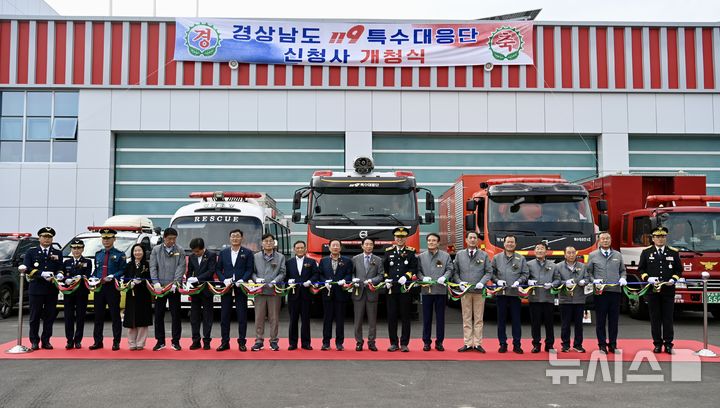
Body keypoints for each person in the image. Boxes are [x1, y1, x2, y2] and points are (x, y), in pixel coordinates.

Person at [638, 226, 682, 354]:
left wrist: (674, 279)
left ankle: (668, 344)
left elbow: (678, 269)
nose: (660, 239)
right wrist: (647, 278)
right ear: (653, 238)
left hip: (668, 290)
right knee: (655, 318)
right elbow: (641, 269)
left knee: (668, 318)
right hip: (653, 291)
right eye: (657, 237)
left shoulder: (673, 252)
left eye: (663, 236)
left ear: (666, 238)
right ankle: (657, 343)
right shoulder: (646, 252)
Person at [21, 227, 63, 350]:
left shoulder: (57, 253)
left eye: (49, 237)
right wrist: (41, 274)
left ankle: (46, 340)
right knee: (34, 316)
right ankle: (34, 340)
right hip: (36, 288)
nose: (47, 239)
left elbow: (60, 266)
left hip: (51, 289)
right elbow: (27, 267)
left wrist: (60, 273)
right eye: (44, 237)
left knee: (49, 317)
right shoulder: (31, 252)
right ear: (39, 238)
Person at [585, 232, 627, 354]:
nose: (605, 240)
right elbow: (588, 273)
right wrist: (594, 281)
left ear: (611, 240)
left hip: (615, 292)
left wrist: (623, 278)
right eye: (603, 238)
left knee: (614, 320)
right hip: (600, 293)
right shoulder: (593, 255)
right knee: (601, 320)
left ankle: (613, 344)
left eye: (607, 238)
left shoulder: (618, 255)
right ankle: (602, 344)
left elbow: (623, 271)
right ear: (599, 240)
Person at [451, 231, 491, 353]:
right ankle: (468, 343)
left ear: (477, 240)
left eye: (475, 238)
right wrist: (459, 283)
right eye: (470, 238)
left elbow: (488, 272)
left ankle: (477, 343)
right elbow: (455, 272)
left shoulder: (483, 255)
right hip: (465, 291)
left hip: (479, 291)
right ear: (466, 240)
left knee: (478, 318)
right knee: (466, 317)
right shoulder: (459, 255)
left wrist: (482, 282)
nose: (473, 240)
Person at [216, 229, 255, 351]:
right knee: (224, 315)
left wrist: (243, 279)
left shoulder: (248, 253)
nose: (235, 238)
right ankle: (224, 342)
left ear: (242, 238)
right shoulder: (224, 253)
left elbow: (249, 269)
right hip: (226, 287)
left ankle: (242, 342)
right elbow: (218, 269)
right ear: (229, 238)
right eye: (233, 236)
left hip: (241, 287)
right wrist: (223, 280)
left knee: (242, 315)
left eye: (237, 236)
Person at [89, 228, 127, 351]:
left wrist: (113, 276)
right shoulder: (98, 254)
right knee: (98, 316)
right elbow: (97, 269)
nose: (106, 240)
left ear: (114, 239)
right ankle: (97, 341)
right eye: (104, 238)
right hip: (99, 288)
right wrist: (92, 277)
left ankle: (116, 342)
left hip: (112, 287)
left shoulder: (120, 254)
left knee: (114, 315)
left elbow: (123, 270)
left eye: (108, 238)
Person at [491, 235, 529, 354]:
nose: (510, 244)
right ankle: (502, 343)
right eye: (508, 242)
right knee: (501, 320)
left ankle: (517, 344)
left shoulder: (521, 258)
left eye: (512, 242)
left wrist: (519, 281)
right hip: (501, 293)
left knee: (516, 320)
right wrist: (497, 281)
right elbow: (491, 273)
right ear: (504, 244)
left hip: (515, 294)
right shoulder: (496, 258)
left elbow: (525, 274)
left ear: (515, 244)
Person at [150, 227, 186, 351]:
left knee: (175, 314)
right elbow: (153, 267)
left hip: (173, 288)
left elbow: (181, 267)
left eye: (174, 239)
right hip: (160, 288)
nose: (172, 241)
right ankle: (160, 341)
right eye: (170, 239)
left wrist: (176, 283)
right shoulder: (156, 250)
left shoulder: (180, 250)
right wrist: (155, 283)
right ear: (164, 238)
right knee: (159, 314)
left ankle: (176, 341)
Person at [382, 227, 418, 352]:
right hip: (391, 289)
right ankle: (393, 343)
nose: (400, 239)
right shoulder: (388, 251)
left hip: (405, 289)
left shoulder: (411, 252)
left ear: (406, 238)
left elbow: (414, 268)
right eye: (398, 237)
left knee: (405, 316)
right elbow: (384, 268)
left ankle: (404, 343)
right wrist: (386, 279)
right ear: (394, 238)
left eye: (402, 237)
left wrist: (406, 276)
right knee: (391, 316)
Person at [251, 233, 286, 351]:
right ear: (262, 243)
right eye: (266, 241)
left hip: (274, 291)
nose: (268, 243)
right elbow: (252, 272)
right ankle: (259, 341)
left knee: (274, 317)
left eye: (271, 241)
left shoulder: (280, 257)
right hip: (260, 291)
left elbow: (282, 272)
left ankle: (274, 341)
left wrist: (276, 281)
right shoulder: (256, 256)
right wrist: (256, 279)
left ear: (274, 243)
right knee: (259, 317)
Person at [350, 238, 385, 351]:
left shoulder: (378, 260)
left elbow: (381, 275)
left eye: (371, 244)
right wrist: (353, 280)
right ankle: (359, 342)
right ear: (362, 246)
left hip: (372, 292)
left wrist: (372, 281)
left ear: (373, 246)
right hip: (358, 291)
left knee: (372, 320)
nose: (368, 246)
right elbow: (351, 273)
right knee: (358, 319)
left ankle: (371, 342)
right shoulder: (355, 259)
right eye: (366, 244)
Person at [318, 239, 353, 351]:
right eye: (333, 245)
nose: (335, 247)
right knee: (327, 319)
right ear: (329, 247)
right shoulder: (323, 261)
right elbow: (320, 275)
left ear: (340, 248)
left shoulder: (347, 261)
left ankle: (339, 343)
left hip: (341, 293)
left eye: (337, 246)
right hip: (327, 293)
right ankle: (326, 342)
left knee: (340, 319)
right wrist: (325, 281)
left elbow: (349, 274)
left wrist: (345, 280)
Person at [285, 240, 319, 350]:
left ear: (305, 249)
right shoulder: (289, 262)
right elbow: (285, 276)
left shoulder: (311, 262)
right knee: (293, 320)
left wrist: (310, 281)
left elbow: (316, 274)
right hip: (293, 295)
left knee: (306, 320)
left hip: (306, 295)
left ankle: (306, 343)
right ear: (294, 249)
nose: (300, 250)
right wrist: (288, 281)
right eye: (297, 248)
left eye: (302, 248)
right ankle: (292, 343)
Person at [553, 246, 588, 353]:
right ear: (564, 254)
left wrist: (584, 282)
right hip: (565, 299)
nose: (571, 255)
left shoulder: (582, 266)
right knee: (565, 324)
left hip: (579, 299)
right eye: (569, 253)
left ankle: (578, 345)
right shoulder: (558, 266)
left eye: (573, 253)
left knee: (579, 324)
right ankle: (565, 345)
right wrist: (565, 283)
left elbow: (587, 278)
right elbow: (556, 280)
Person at [186, 237, 217, 350]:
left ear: (203, 248)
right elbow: (189, 271)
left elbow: (211, 271)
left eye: (197, 251)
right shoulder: (192, 257)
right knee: (194, 316)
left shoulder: (211, 255)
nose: (196, 253)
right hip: (195, 291)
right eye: (194, 251)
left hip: (206, 290)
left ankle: (207, 340)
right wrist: (189, 280)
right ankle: (196, 340)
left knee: (207, 316)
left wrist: (197, 278)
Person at [61, 239, 92, 349]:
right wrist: (66, 280)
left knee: (80, 317)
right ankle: (69, 340)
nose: (76, 250)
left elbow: (87, 274)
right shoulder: (66, 262)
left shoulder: (87, 262)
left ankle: (78, 340)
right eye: (74, 248)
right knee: (68, 317)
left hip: (81, 292)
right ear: (71, 249)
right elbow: (63, 275)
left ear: (83, 249)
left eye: (79, 248)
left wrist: (81, 277)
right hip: (69, 292)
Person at [526, 242, 556, 353]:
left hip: (548, 298)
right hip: (535, 298)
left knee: (549, 323)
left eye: (542, 249)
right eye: (537, 248)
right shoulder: (528, 264)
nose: (539, 251)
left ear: (546, 251)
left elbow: (557, 279)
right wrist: (528, 281)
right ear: (534, 251)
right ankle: (536, 344)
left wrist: (553, 284)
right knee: (535, 323)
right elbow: (524, 277)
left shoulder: (553, 265)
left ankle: (549, 345)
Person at [123, 244, 153, 350]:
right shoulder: (129, 265)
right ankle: (131, 343)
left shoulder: (147, 265)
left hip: (144, 295)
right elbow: (124, 278)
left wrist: (143, 282)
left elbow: (151, 279)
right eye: (135, 251)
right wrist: (129, 283)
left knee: (143, 318)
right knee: (131, 319)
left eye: (139, 250)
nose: (137, 253)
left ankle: (140, 343)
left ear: (143, 252)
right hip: (131, 294)